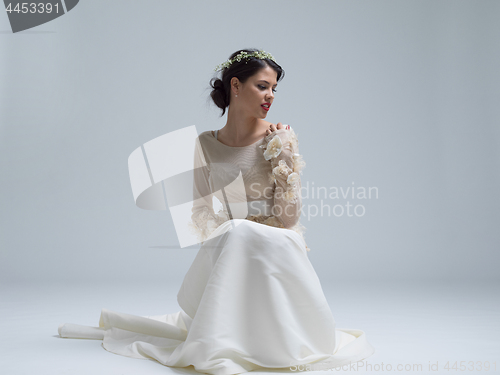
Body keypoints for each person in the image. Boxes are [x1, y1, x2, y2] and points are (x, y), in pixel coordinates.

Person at [57, 48, 375, 375]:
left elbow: (290, 219)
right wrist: (226, 236)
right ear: (235, 86)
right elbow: (203, 214)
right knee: (234, 233)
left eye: (274, 89)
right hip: (232, 243)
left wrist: (281, 157)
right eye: (262, 86)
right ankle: (228, 330)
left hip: (278, 245)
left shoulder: (280, 138)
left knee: (240, 232)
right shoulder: (205, 143)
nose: (270, 96)